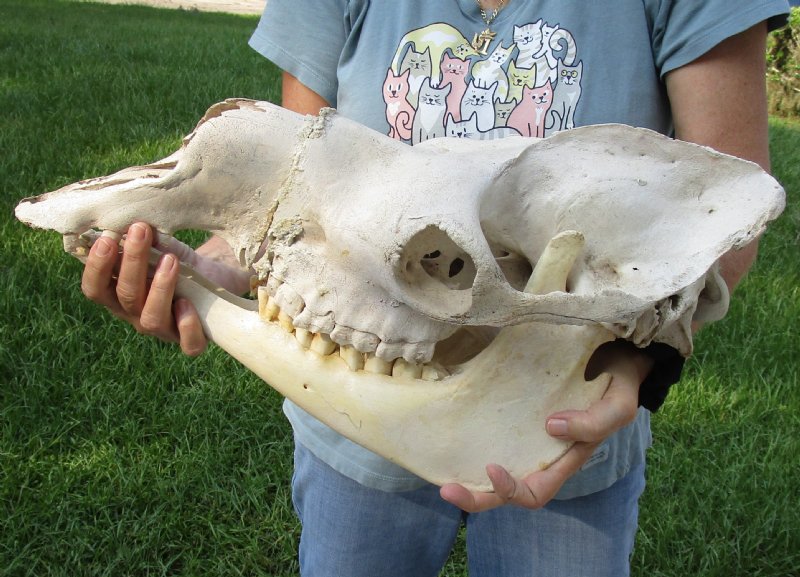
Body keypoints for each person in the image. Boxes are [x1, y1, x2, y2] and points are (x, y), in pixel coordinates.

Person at [80, 1, 790, 575]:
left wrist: (636, 359)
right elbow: (300, 200)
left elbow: (722, 214)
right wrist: (213, 268)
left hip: (568, 433)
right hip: (349, 434)